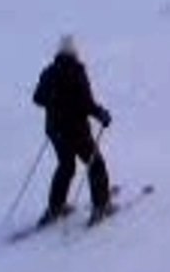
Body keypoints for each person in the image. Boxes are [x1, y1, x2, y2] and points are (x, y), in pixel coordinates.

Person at [33, 35, 114, 227]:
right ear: (74, 53)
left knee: (66, 165)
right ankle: (101, 205)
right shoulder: (76, 71)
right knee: (95, 163)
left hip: (54, 130)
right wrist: (101, 114)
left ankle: (56, 206)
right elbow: (86, 103)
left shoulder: (49, 72)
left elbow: (38, 98)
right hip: (75, 129)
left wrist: (54, 100)